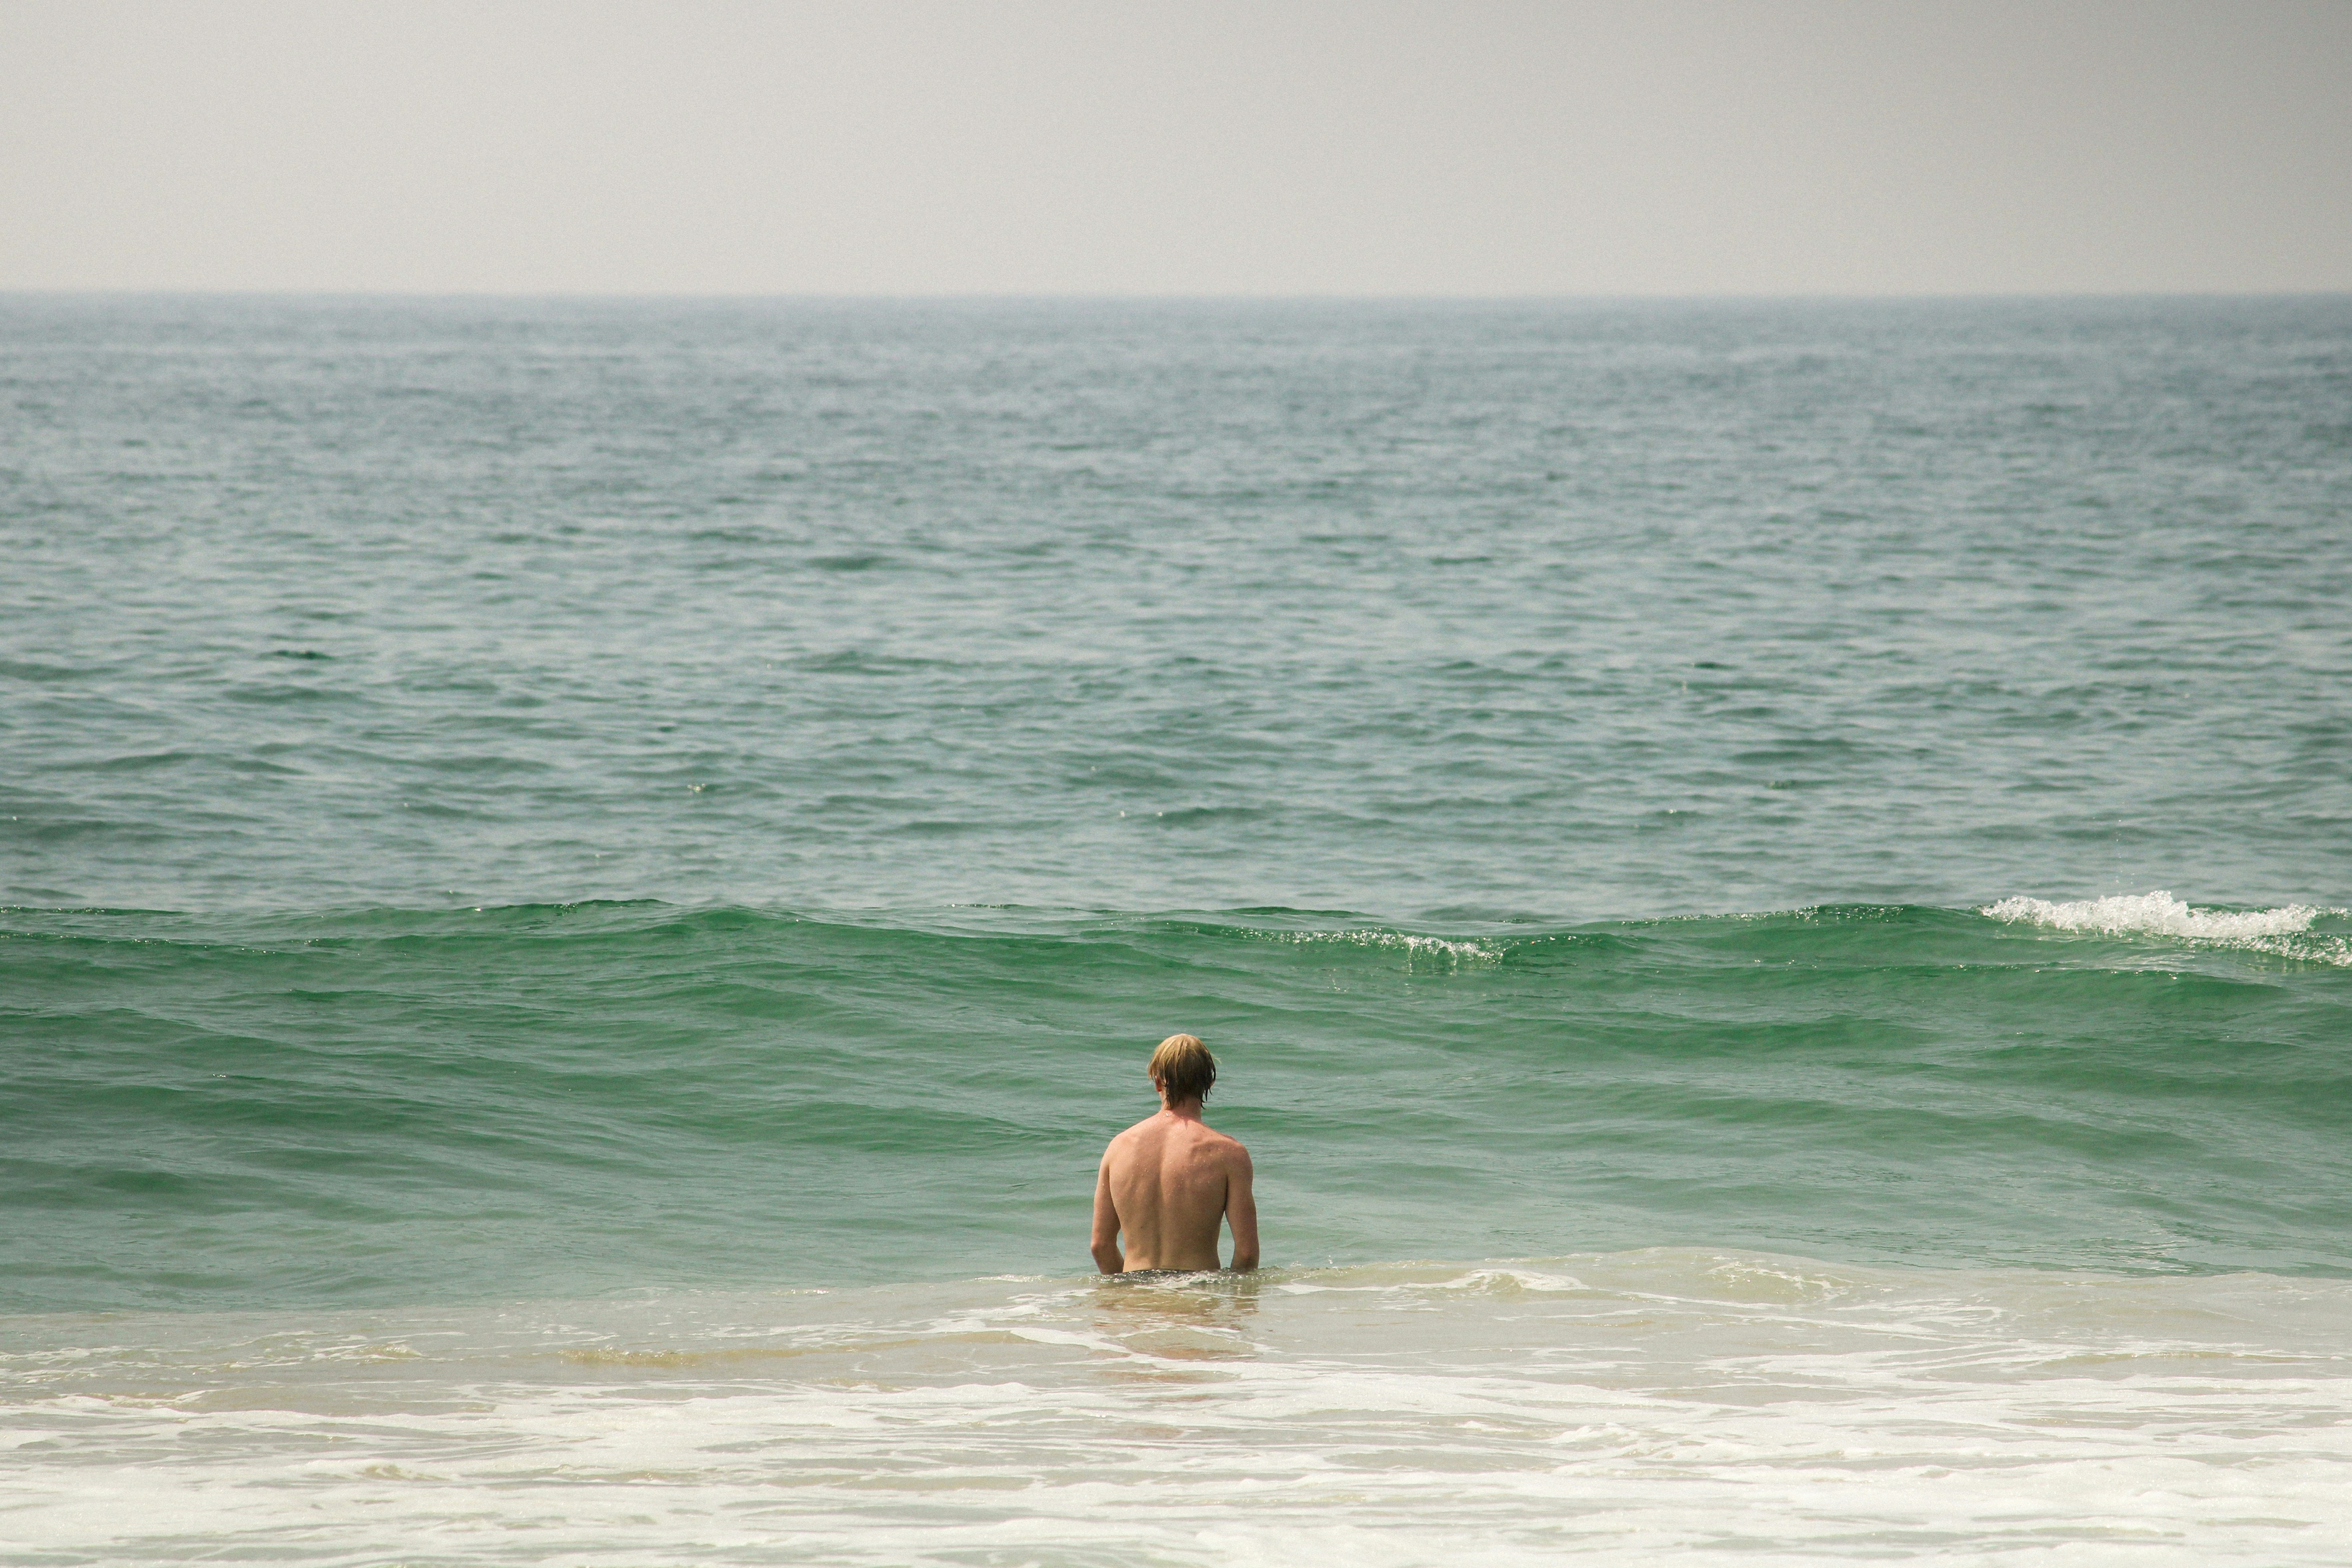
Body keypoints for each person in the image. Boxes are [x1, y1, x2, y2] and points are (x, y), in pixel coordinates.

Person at [1090, 1033, 1259, 1274]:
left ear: (1158, 1082)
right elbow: (1247, 1253)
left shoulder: (1118, 1148)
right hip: (1197, 1295)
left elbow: (1101, 1246)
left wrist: (1126, 1296)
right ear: (1208, 1083)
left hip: (1135, 1298)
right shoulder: (1229, 1154)